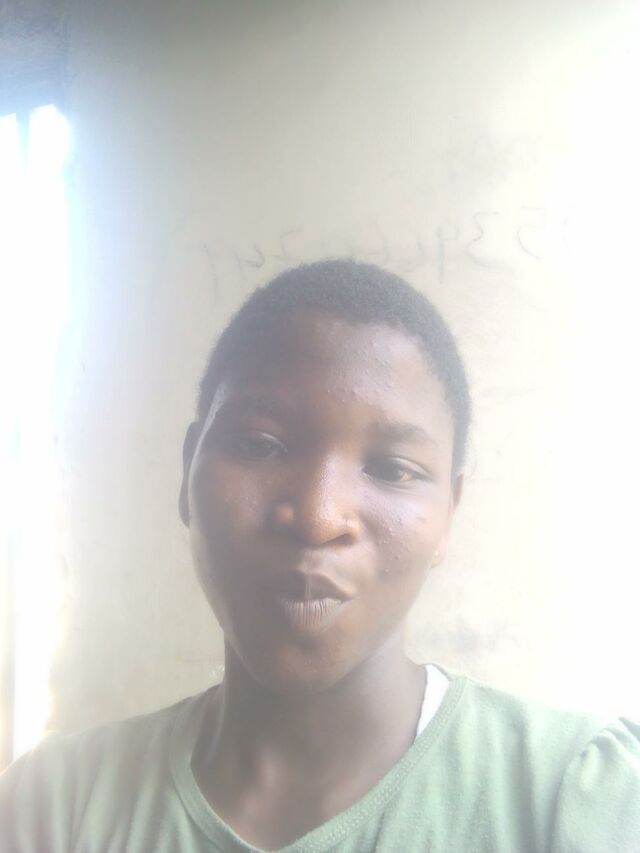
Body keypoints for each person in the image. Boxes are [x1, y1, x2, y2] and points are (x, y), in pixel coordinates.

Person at [1, 259, 638, 852]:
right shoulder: (57, 806)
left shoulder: (575, 796)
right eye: (260, 445)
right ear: (187, 474)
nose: (318, 516)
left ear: (449, 511)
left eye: (392, 469)